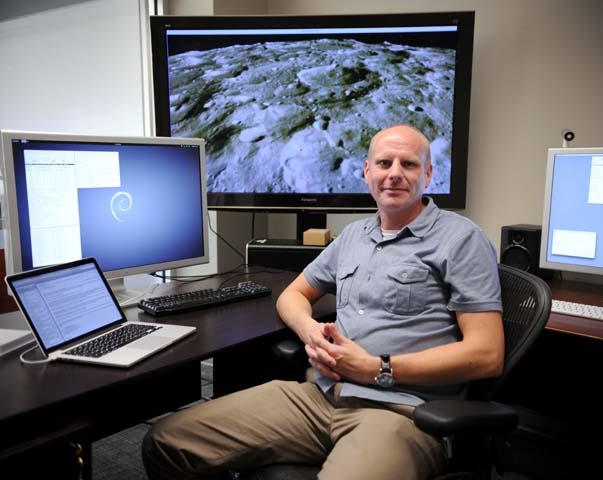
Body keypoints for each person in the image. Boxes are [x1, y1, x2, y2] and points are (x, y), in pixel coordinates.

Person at [142, 124, 504, 480]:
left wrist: (376, 368)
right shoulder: (354, 236)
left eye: (408, 164)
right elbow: (293, 295)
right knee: (167, 442)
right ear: (366, 172)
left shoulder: (461, 240)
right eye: (383, 163)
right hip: (319, 397)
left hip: (401, 413)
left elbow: (487, 354)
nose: (394, 174)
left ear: (428, 173)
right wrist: (310, 332)